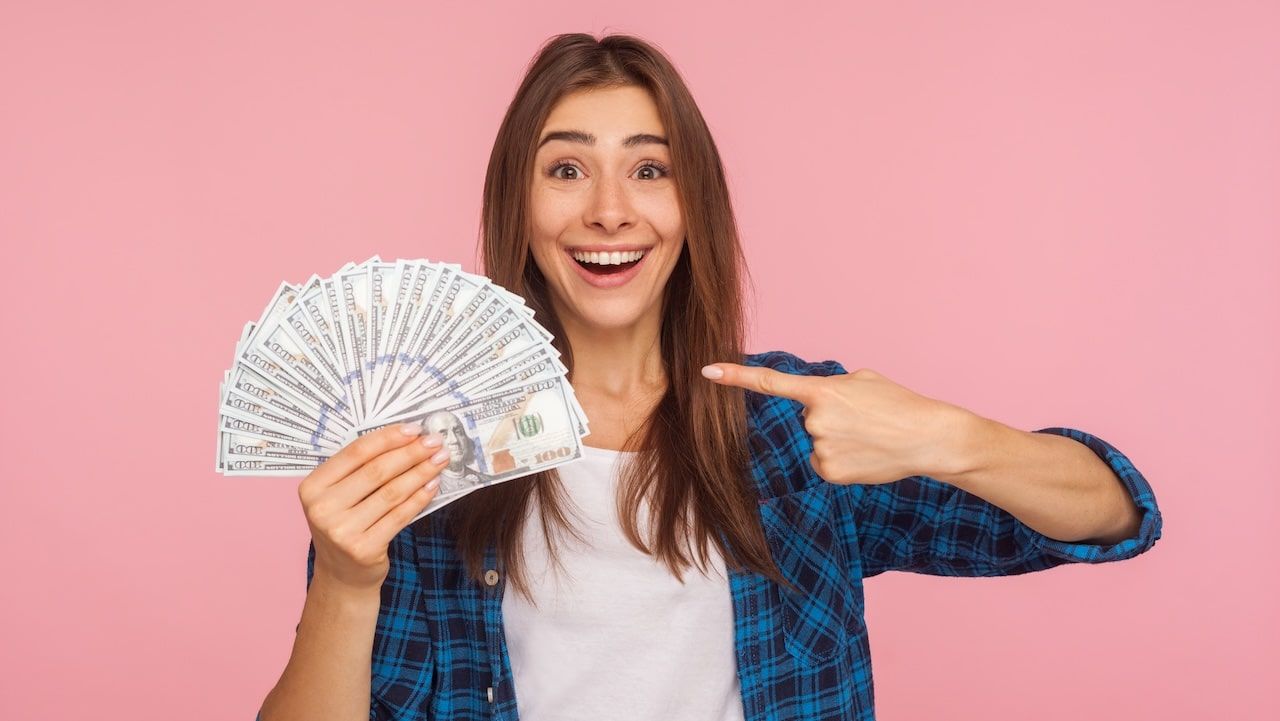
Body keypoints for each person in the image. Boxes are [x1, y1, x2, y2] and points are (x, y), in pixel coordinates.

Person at [256, 33, 1162, 721]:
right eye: (566, 168)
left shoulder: (794, 428)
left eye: (650, 169)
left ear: (694, 205)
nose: (610, 209)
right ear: (516, 205)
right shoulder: (427, 454)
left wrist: (948, 439)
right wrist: (342, 578)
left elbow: (1113, 512)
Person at [421, 409, 494, 493]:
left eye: (458, 432)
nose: (454, 440)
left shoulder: (487, 480)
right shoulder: (426, 490)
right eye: (443, 434)